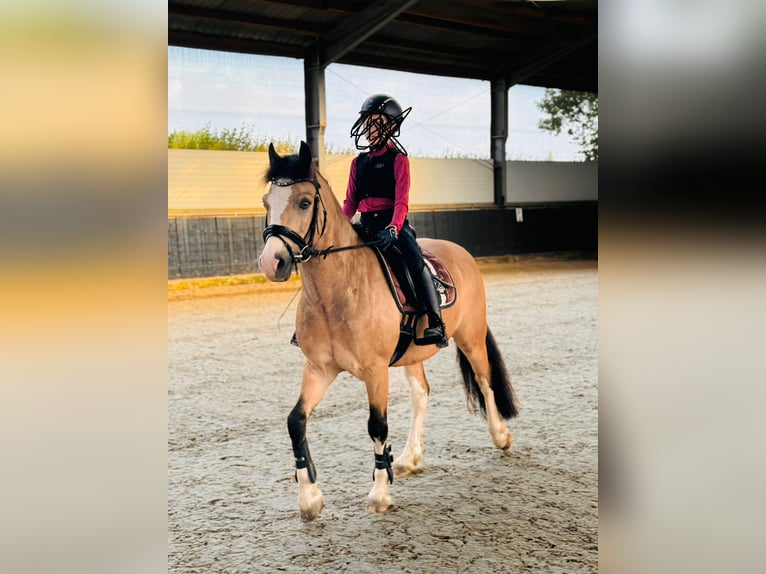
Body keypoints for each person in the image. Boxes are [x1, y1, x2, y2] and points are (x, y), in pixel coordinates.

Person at [343, 94, 448, 348]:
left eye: (375, 122)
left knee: (414, 259)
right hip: (365, 225)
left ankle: (436, 323)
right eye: (366, 123)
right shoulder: (358, 163)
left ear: (391, 126)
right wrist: (339, 225)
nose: (369, 129)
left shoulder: (399, 160)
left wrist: (393, 227)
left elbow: (402, 201)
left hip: (393, 226)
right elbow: (349, 203)